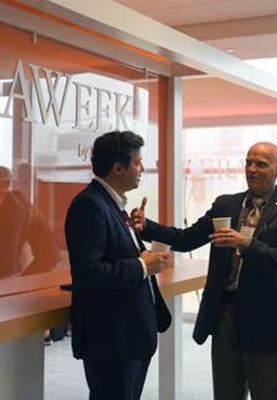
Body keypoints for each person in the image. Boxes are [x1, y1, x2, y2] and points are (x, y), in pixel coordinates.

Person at [132, 141, 277, 400]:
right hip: (225, 313)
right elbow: (187, 238)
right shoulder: (227, 205)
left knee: (270, 393)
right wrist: (147, 226)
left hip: (267, 317)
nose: (252, 169)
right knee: (226, 393)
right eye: (248, 162)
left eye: (261, 164)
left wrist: (246, 243)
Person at [64, 130, 172, 400]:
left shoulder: (114, 205)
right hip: (112, 340)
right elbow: (90, 273)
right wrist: (142, 265)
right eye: (137, 162)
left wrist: (145, 258)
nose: (142, 168)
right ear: (117, 168)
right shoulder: (89, 206)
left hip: (130, 335)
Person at [11, 190, 61, 275]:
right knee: (27, 279)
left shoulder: (27, 217)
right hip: (49, 256)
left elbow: (20, 239)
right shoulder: (32, 214)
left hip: (46, 257)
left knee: (25, 280)